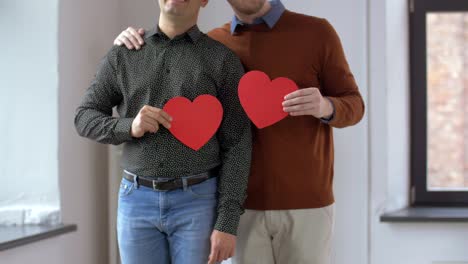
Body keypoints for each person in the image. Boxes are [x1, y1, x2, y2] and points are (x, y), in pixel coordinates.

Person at [114, 0, 365, 263]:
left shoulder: (318, 33)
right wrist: (128, 43)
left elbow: (355, 105)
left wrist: (326, 106)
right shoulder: (213, 46)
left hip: (307, 205)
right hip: (241, 208)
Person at [74, 0, 252, 263]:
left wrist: (227, 222)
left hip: (199, 203)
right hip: (135, 203)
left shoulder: (222, 61)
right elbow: (84, 117)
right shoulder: (124, 53)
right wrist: (128, 126)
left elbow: (238, 144)